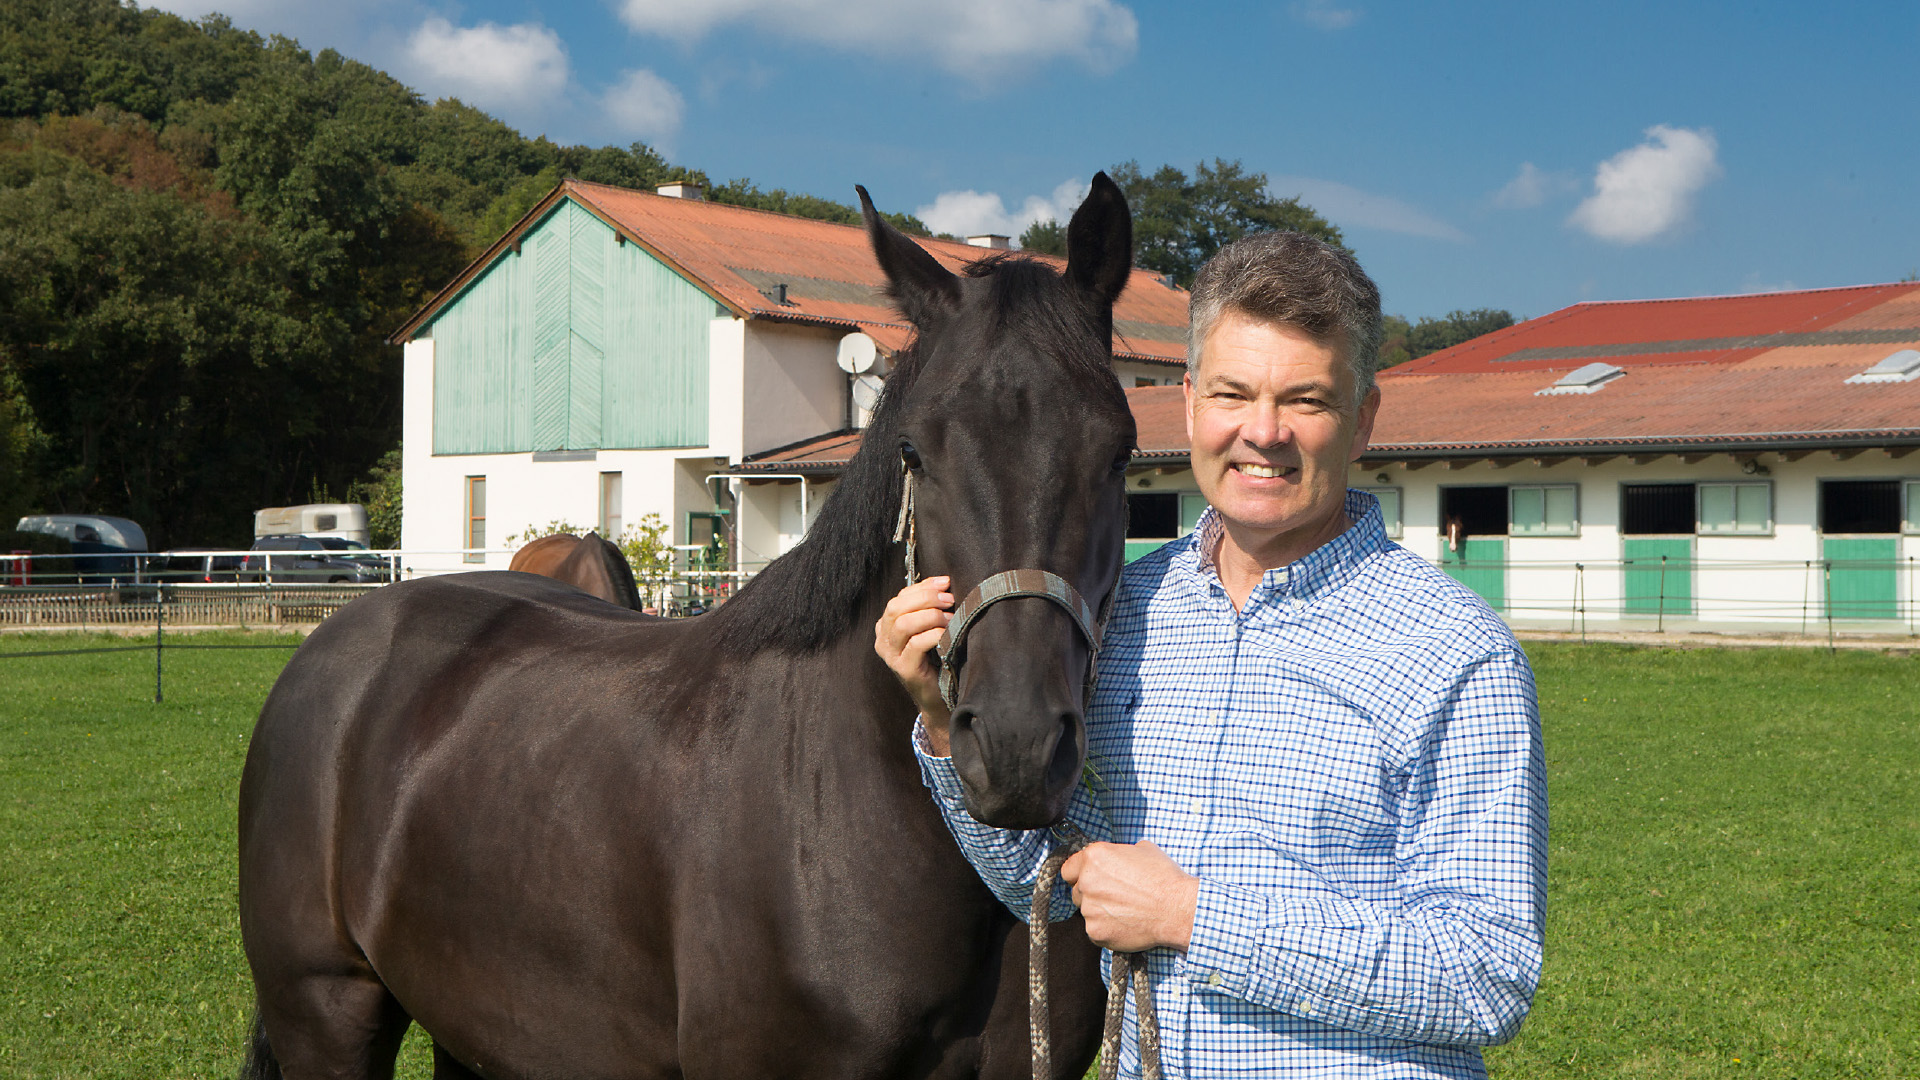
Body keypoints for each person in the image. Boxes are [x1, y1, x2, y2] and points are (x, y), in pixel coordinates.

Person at [875, 230, 1547, 1078]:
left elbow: (1485, 975)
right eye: (1233, 393)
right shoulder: (1125, 615)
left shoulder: (1455, 650)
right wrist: (940, 722)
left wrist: (1194, 917)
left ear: (1364, 417)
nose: (1262, 434)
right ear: (1190, 402)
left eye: (1305, 400)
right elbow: (1056, 887)